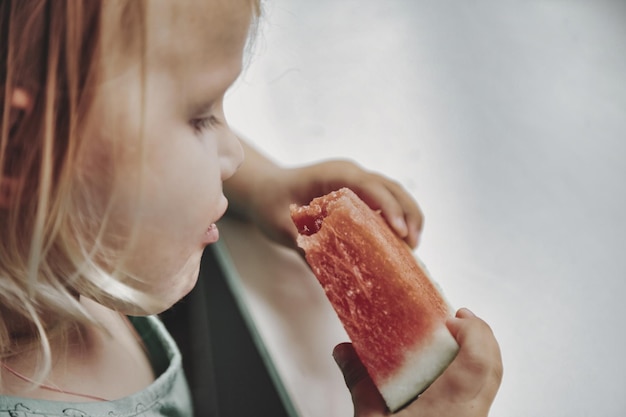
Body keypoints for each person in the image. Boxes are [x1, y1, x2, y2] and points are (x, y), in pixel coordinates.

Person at [0, 0, 502, 416]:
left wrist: (265, 186)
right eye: (200, 117)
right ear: (21, 147)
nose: (235, 155)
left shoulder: (69, 244)